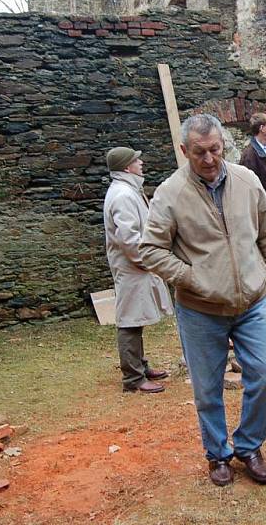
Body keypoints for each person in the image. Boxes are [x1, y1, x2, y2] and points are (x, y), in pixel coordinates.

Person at [140, 114, 266, 487]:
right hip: (200, 309)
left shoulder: (247, 180)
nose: (209, 159)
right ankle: (218, 455)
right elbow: (150, 250)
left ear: (222, 145)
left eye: (215, 150)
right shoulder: (170, 194)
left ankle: (248, 445)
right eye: (199, 152)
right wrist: (192, 278)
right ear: (184, 150)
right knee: (207, 388)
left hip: (253, 301)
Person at [103, 147, 173, 393]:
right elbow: (129, 237)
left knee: (136, 318)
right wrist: (147, 261)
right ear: (126, 167)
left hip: (136, 265)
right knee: (130, 320)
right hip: (132, 266)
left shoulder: (128, 190)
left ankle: (140, 367)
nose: (141, 162)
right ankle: (133, 378)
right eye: (136, 160)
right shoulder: (123, 195)